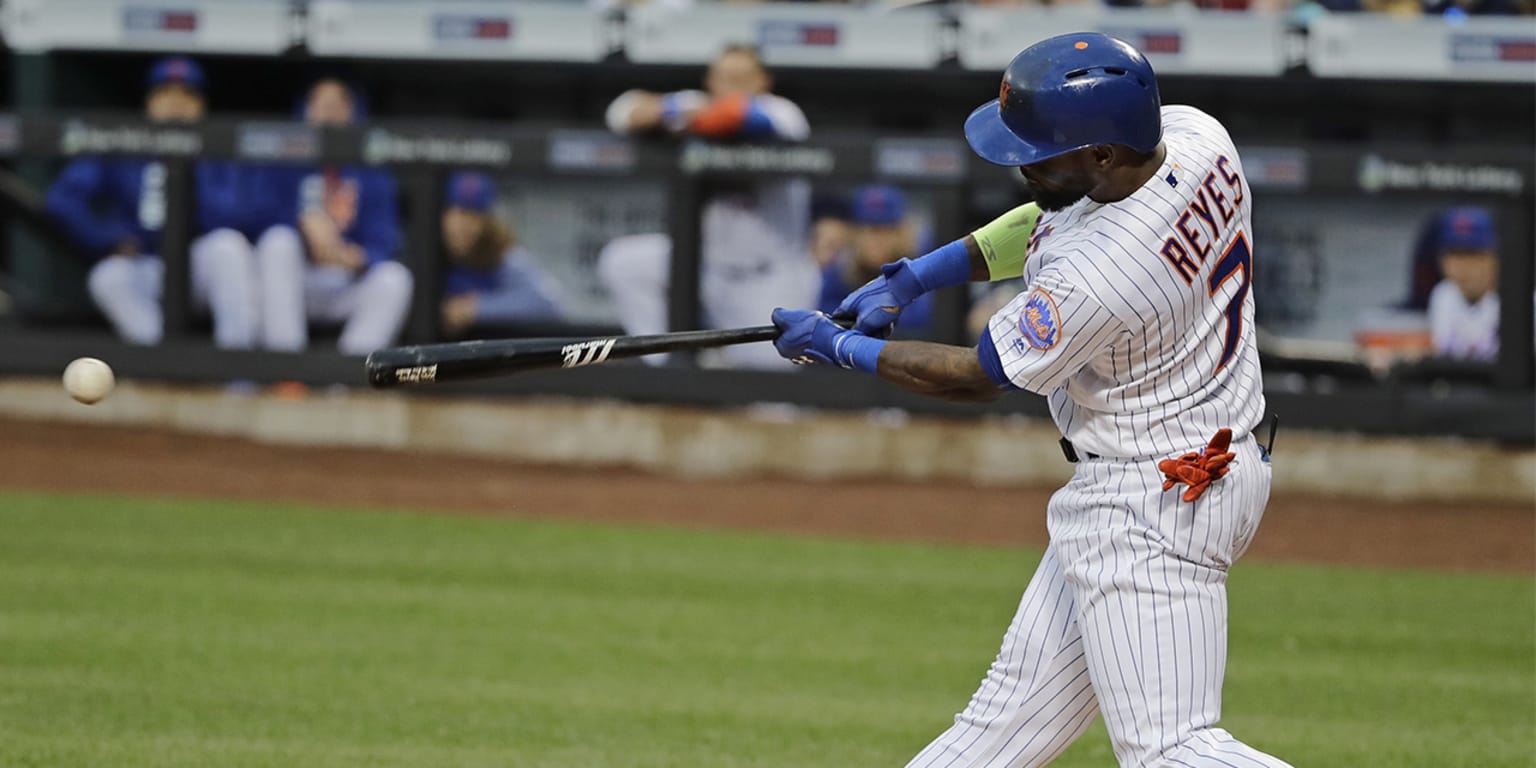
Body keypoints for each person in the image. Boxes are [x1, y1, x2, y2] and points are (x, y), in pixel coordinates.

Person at [771, 33, 1291, 768]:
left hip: (1150, 497)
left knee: (1172, 749)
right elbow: (1052, 216)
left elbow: (978, 374)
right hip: (1199, 460)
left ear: (1104, 155)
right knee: (998, 731)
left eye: (1040, 151)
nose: (1022, 165)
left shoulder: (1105, 272)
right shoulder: (1196, 136)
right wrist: (917, 276)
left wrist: (835, 346)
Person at [597, 44, 817, 368]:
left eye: (741, 77)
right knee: (624, 263)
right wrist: (674, 109)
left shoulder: (784, 112)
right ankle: (666, 367)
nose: (730, 85)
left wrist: (692, 116)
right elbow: (621, 111)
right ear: (709, 80)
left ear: (763, 81)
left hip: (768, 282)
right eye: (723, 77)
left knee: (773, 404)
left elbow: (739, 117)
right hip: (705, 270)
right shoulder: (694, 105)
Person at [46, 56, 258, 349]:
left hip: (200, 264)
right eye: (165, 94)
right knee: (107, 277)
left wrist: (192, 168)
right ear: (149, 102)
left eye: (186, 95)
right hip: (147, 262)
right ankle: (167, 364)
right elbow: (62, 199)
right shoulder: (125, 142)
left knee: (228, 247)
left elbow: (240, 216)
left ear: (201, 106)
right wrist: (111, 237)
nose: (175, 104)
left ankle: (237, 370)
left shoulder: (218, 150)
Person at [249, 77, 413, 355]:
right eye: (320, 104)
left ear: (353, 112)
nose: (328, 113)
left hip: (343, 281)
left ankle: (346, 380)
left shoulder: (372, 170)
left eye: (337, 105)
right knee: (278, 241)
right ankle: (287, 369)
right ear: (305, 110)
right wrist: (301, 223)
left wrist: (357, 257)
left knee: (395, 278)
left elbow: (386, 239)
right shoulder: (282, 160)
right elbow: (254, 219)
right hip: (296, 279)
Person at [439, 170, 562, 338]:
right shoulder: (426, 250)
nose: (458, 223)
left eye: (470, 214)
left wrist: (476, 308)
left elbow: (547, 303)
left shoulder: (502, 253)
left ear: (487, 220)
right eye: (451, 211)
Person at [816, 184, 933, 336]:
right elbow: (825, 330)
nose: (877, 240)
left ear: (901, 234)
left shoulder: (918, 276)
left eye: (886, 230)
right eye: (870, 230)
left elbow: (921, 324)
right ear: (855, 233)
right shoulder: (838, 277)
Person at [1427, 206, 1500, 362]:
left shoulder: (1524, 304)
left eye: (1472, 254)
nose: (1462, 266)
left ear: (1497, 258)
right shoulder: (1443, 295)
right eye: (1454, 254)